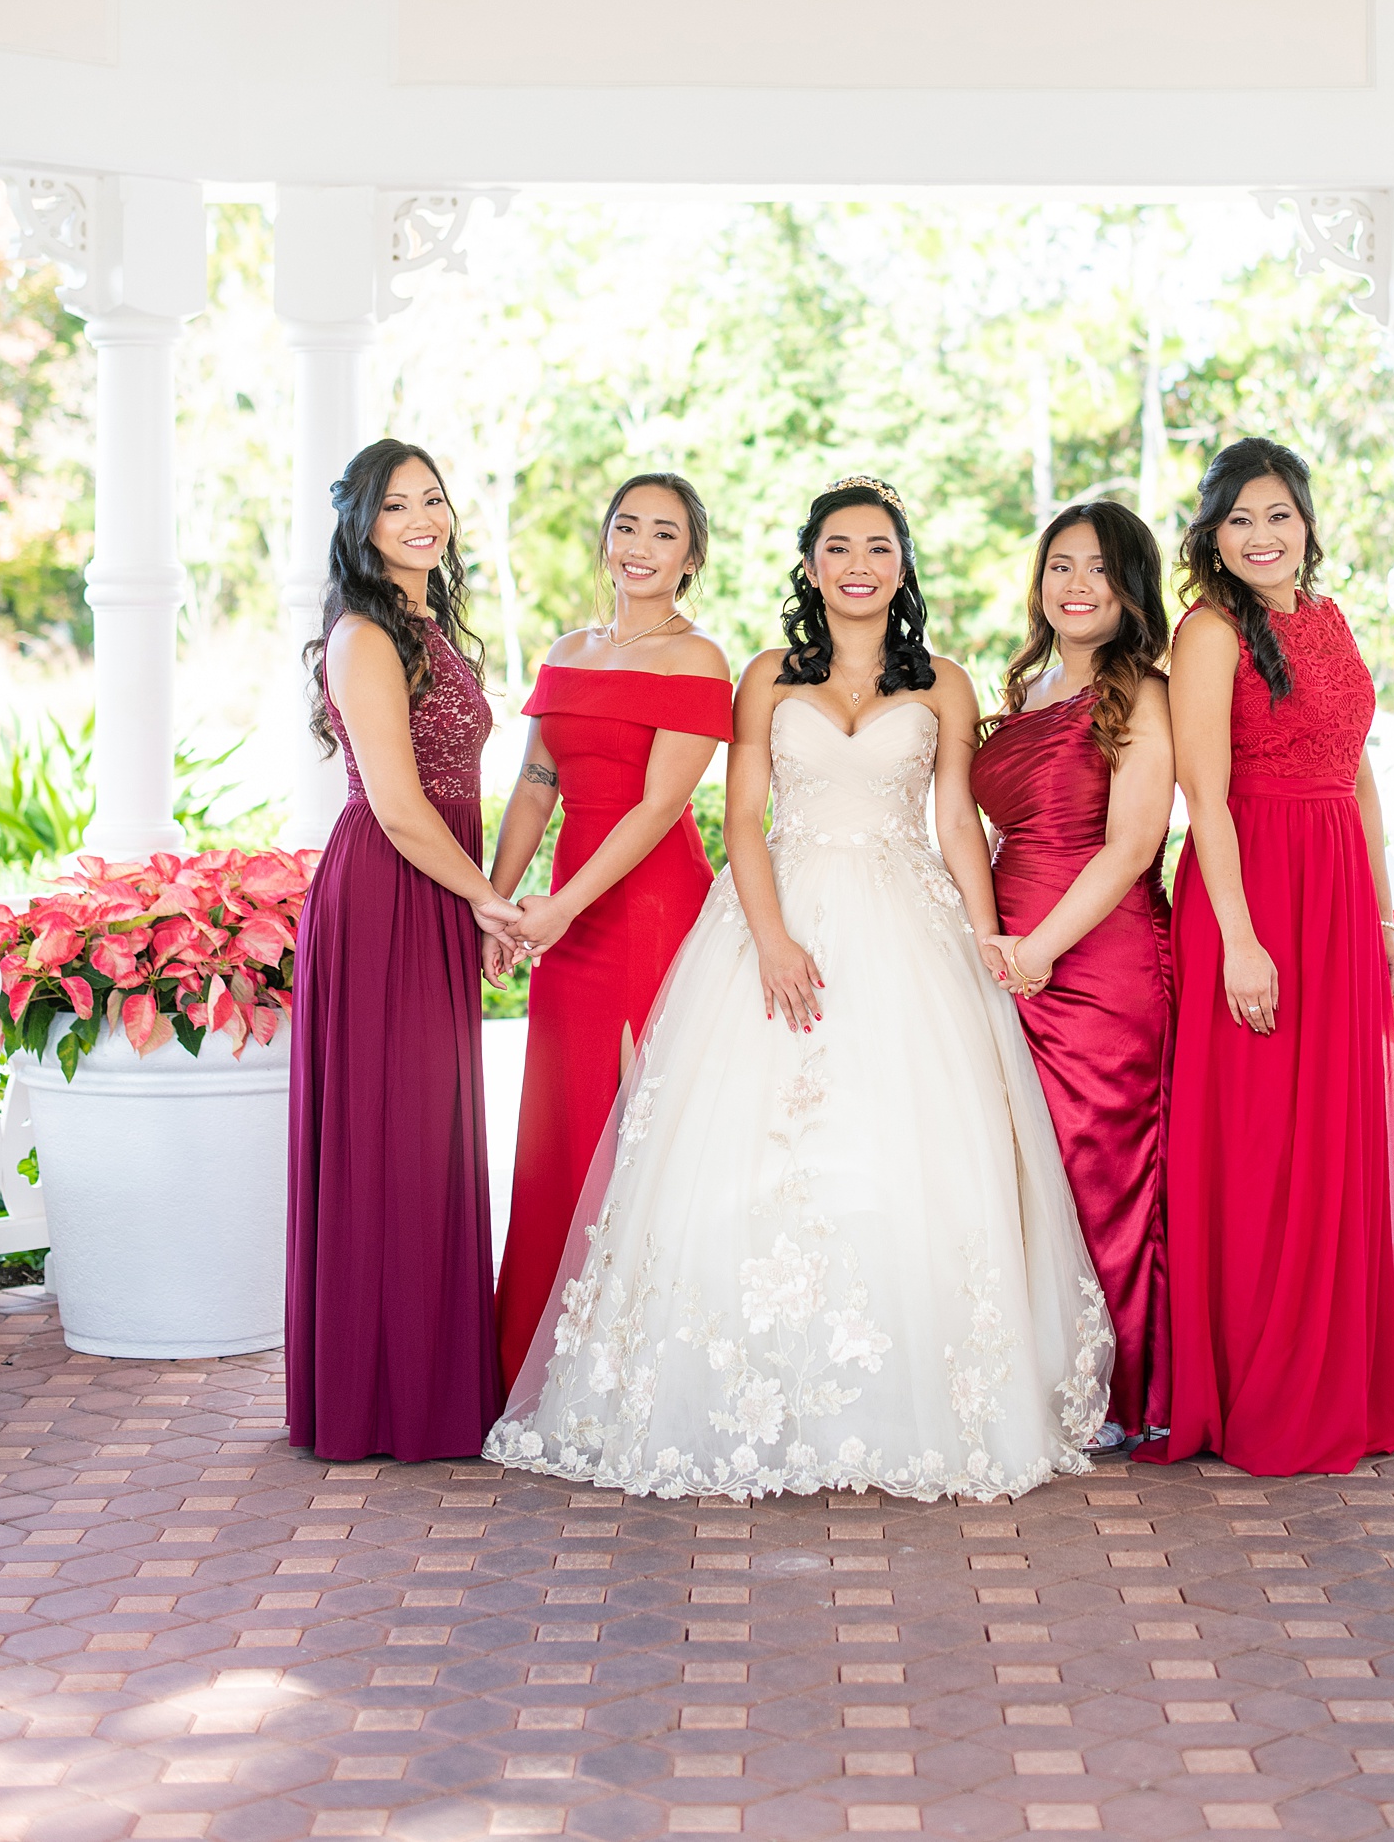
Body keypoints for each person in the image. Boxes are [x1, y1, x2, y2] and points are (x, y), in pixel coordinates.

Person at [487, 477, 1112, 1498]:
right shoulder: (765, 675)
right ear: (809, 564)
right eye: (836, 547)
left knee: (908, 1146)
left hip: (909, 924)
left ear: (901, 564)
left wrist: (991, 937)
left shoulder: (945, 683)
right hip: (776, 915)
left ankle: (907, 1396)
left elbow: (956, 822)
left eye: (875, 547)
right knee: (747, 1142)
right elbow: (740, 819)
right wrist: (772, 938)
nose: (856, 564)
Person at [1153, 436, 1394, 1477]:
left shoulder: (1330, 621)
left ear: (1306, 519)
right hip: (1249, 888)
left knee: (1333, 1142)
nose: (1261, 536)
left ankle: (1338, 1384)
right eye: (1238, 520)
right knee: (1260, 1146)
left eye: (1277, 515)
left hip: (1335, 894)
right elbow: (1202, 799)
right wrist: (1238, 940)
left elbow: (1355, 777)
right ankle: (1261, 1392)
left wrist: (1384, 917)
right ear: (1213, 537)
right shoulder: (1208, 632)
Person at [287, 440, 526, 1463]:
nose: (422, 519)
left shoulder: (429, 623)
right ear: (361, 525)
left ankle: (428, 1380)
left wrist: (475, 900)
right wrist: (489, 901)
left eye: (433, 500)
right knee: (390, 1138)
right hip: (389, 894)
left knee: (426, 1137)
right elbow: (392, 803)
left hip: (436, 889)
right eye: (397, 506)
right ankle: (375, 1397)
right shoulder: (362, 636)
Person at [487, 474, 733, 1393]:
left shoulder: (700, 658)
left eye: (664, 532)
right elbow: (535, 785)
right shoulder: (568, 647)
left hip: (648, 907)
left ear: (690, 556)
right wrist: (495, 901)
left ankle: (636, 1372)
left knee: (639, 1121)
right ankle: (533, 1362)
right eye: (626, 525)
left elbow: (659, 807)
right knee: (560, 1121)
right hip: (562, 909)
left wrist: (558, 909)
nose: (640, 543)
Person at [971, 502, 1175, 1450]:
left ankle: (1123, 1387)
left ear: (1129, 586)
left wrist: (1044, 945)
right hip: (1008, 948)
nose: (1077, 584)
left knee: (1102, 1164)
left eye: (1099, 567)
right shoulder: (1026, 689)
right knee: (1024, 1167)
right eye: (1060, 565)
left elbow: (1135, 842)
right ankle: (1045, 1374)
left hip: (1099, 954)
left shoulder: (1142, 691)